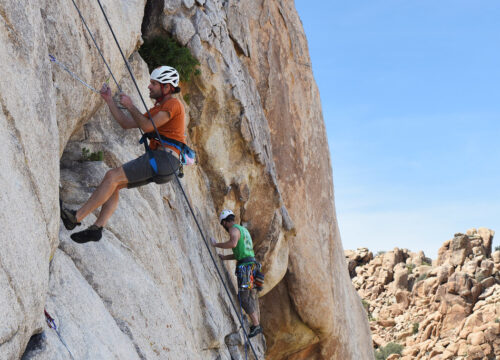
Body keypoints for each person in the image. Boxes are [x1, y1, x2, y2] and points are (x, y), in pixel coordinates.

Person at [60, 66, 185, 243]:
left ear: (167, 88)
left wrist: (130, 105)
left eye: (154, 84)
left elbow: (148, 127)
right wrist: (109, 100)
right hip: (164, 164)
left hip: (164, 159)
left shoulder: (173, 104)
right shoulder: (157, 110)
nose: (149, 87)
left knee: (112, 176)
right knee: (115, 185)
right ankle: (97, 228)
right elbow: (126, 123)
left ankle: (75, 217)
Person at [211, 209, 263, 338]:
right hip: (250, 265)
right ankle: (256, 324)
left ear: (225, 222)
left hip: (245, 268)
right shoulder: (243, 231)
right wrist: (224, 258)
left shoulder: (233, 230)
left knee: (243, 297)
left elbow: (232, 243)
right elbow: (239, 253)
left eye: (223, 224)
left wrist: (216, 244)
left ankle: (256, 326)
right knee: (246, 296)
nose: (224, 227)